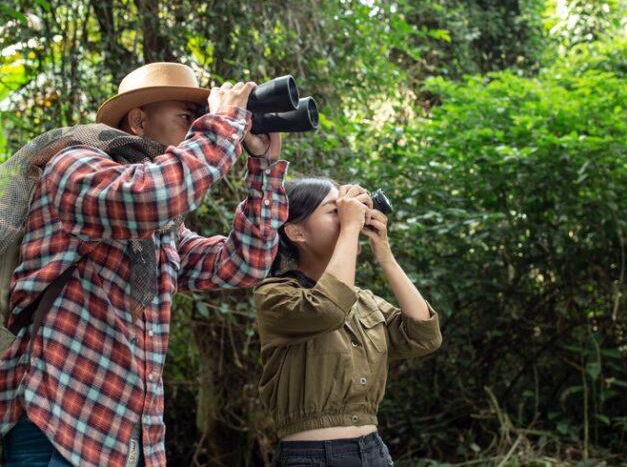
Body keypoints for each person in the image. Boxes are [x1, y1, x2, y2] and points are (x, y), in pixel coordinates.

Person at [0, 62, 289, 466]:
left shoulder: (161, 229)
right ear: (138, 120)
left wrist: (264, 169)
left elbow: (244, 263)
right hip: (57, 428)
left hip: (129, 442)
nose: (197, 128)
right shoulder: (74, 166)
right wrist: (223, 125)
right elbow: (150, 196)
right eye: (188, 118)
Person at [254, 178, 442, 466]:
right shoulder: (275, 296)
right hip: (312, 457)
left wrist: (386, 255)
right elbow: (327, 309)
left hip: (373, 452)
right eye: (335, 211)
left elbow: (423, 336)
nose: (347, 218)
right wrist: (351, 228)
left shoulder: (363, 301)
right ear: (296, 232)